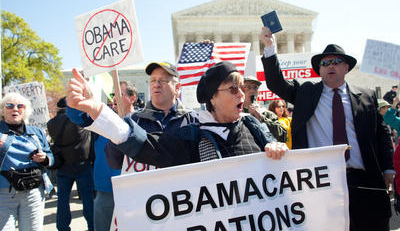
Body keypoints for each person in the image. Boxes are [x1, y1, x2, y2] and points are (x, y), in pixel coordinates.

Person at [260, 26, 394, 231]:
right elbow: (275, 83)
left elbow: (381, 133)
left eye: (335, 61)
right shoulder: (306, 93)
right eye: (325, 63)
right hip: (321, 184)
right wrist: (270, 48)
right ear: (319, 70)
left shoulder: (367, 96)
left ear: (346, 67)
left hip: (364, 183)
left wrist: (389, 167)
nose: (330, 65)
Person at [67, 62, 198, 231]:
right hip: (141, 213)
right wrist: (117, 133)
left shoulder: (194, 120)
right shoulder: (134, 121)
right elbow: (113, 160)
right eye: (153, 80)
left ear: (178, 88)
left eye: (162, 80)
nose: (156, 84)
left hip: (183, 210)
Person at [66, 61, 287, 171]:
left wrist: (280, 151)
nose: (242, 94)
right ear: (212, 99)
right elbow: (144, 144)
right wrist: (97, 110)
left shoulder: (252, 124)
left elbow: (283, 158)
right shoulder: (192, 135)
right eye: (233, 89)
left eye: (242, 88)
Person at [0, 92, 53, 231]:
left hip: (33, 193)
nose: (14, 109)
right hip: (4, 194)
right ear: (3, 110)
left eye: (20, 106)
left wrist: (44, 159)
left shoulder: (36, 132)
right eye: (9, 106)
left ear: (26, 110)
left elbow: (51, 157)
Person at [47, 97, 95, 231]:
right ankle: (92, 229)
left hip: (63, 165)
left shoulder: (51, 123)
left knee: (62, 200)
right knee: (88, 198)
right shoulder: (80, 119)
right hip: (82, 163)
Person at [242, 75, 287, 143]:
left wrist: (261, 118)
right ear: (241, 91)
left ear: (258, 92)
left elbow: (282, 136)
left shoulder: (267, 114)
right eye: (248, 87)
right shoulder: (235, 113)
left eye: (255, 88)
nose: (252, 91)